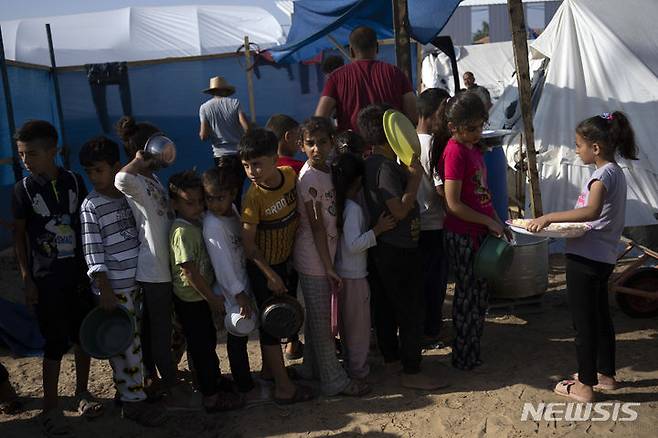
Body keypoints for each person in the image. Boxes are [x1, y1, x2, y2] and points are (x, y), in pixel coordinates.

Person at [527, 112, 638, 403]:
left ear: (596, 148)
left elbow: (590, 212)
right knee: (600, 317)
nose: (576, 150)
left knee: (584, 323)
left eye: (579, 145)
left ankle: (585, 385)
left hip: (585, 259)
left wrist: (549, 217)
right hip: (602, 257)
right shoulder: (616, 172)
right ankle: (605, 374)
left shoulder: (601, 177)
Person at [12, 120, 102, 436]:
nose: (25, 160)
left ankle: (82, 394)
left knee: (82, 337)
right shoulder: (22, 190)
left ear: (54, 151)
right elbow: (20, 236)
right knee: (54, 342)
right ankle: (51, 407)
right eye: (21, 154)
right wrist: (27, 278)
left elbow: (86, 227)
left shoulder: (75, 182)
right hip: (46, 280)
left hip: (77, 276)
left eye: (32, 153)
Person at [79, 136, 166, 426]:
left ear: (115, 167)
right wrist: (104, 290)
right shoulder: (91, 206)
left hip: (137, 282)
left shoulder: (127, 194)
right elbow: (94, 252)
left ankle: (135, 391)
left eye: (99, 170)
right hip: (114, 289)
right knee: (124, 346)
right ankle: (133, 404)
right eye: (89, 171)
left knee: (139, 342)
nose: (93, 177)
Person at [358, 105, 445, 390]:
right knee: (410, 310)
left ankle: (393, 361)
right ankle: (411, 371)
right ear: (390, 134)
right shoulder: (383, 167)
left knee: (386, 307)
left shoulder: (375, 162)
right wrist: (415, 178)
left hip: (386, 248)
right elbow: (397, 210)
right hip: (398, 249)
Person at [293, 117, 370, 397]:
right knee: (324, 326)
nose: (316, 148)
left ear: (331, 143)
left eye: (322, 142)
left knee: (317, 321)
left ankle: (312, 369)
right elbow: (315, 228)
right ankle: (334, 381)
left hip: (324, 256)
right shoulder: (309, 178)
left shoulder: (327, 171)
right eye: (310, 144)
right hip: (314, 259)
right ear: (301, 146)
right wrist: (328, 267)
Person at [238, 128, 314, 405]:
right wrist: (269, 275)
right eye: (246, 165)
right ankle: (285, 389)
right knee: (272, 323)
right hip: (265, 269)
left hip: (285, 263)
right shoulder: (253, 198)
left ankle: (270, 372)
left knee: (284, 319)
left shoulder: (291, 178)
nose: (251, 171)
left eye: (256, 163)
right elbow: (249, 245)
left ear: (274, 159)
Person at [114, 117, 182, 402]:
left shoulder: (152, 179)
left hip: (166, 265)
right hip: (154, 269)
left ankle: (161, 375)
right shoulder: (135, 180)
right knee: (160, 330)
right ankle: (166, 381)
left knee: (164, 327)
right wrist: (138, 161)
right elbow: (121, 178)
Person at [438, 92, 505, 371]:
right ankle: (463, 356)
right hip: (463, 234)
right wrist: (488, 222)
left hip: (481, 232)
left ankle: (472, 350)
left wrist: (498, 221)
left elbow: (484, 195)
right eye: (472, 128)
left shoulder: (474, 149)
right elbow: (453, 203)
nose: (478, 133)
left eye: (480, 127)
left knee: (479, 296)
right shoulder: (454, 151)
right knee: (466, 297)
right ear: (454, 127)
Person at [168, 170, 244, 412]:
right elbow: (189, 272)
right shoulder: (181, 232)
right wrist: (211, 298)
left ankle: (214, 380)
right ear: (175, 204)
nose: (198, 206)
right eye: (190, 203)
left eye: (201, 201)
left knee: (207, 342)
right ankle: (210, 395)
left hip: (201, 298)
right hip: (191, 299)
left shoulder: (198, 222)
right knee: (201, 347)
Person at [202, 164, 263, 403]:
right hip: (231, 291)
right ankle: (244, 384)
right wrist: (238, 294)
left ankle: (244, 379)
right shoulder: (213, 225)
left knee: (242, 336)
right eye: (209, 198)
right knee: (237, 338)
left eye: (220, 198)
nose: (215, 203)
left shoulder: (233, 212)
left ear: (232, 193)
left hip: (241, 284)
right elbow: (222, 264)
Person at [332, 152, 396, 381]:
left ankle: (352, 365)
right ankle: (358, 371)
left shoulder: (338, 204)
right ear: (359, 181)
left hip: (342, 274)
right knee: (358, 328)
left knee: (347, 326)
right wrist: (378, 230)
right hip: (354, 276)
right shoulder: (353, 209)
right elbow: (353, 245)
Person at [315, 26, 418, 131]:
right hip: (389, 145)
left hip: (351, 145)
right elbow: (414, 116)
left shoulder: (336, 78)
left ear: (351, 50)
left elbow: (319, 120)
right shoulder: (395, 73)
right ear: (377, 47)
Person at [264, 113, 305, 359]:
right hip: (298, 242)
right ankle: (294, 341)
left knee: (283, 293)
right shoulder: (297, 169)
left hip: (274, 249)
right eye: (299, 137)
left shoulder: (266, 170)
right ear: (288, 136)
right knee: (298, 291)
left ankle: (290, 341)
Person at [416, 88, 451, 346]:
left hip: (414, 224)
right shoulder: (435, 146)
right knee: (434, 282)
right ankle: (431, 330)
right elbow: (441, 190)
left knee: (420, 280)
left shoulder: (405, 142)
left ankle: (423, 328)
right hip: (434, 223)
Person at [199, 76, 250, 164]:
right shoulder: (235, 103)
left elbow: (204, 136)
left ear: (212, 91)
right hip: (238, 153)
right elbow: (247, 127)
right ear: (225, 90)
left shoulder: (204, 107)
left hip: (220, 156)